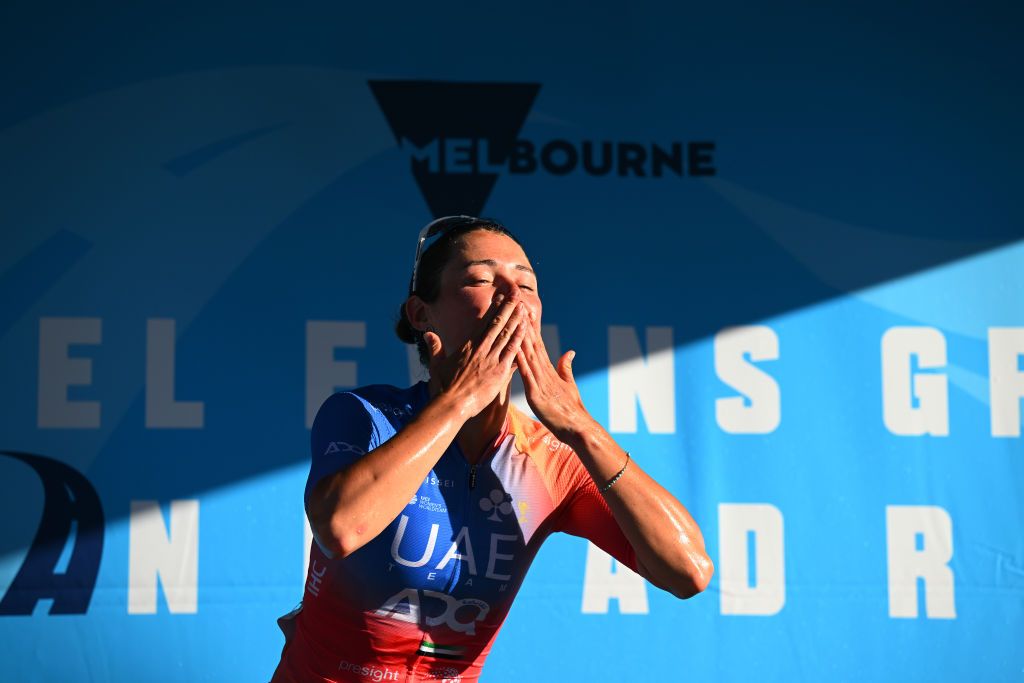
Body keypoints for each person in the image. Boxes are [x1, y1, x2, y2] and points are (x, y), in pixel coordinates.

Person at [272, 216, 713, 683]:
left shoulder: (549, 458)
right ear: (421, 315)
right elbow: (340, 527)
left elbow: (688, 573)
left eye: (527, 284)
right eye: (483, 279)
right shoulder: (365, 414)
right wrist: (461, 400)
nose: (512, 297)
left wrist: (582, 428)